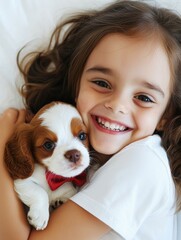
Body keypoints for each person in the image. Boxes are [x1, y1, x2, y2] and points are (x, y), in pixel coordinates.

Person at [0, 0, 181, 239]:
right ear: (77, 84)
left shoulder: (142, 163)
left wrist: (2, 144)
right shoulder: (90, 161)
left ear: (165, 117)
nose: (117, 105)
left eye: (143, 97)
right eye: (102, 83)